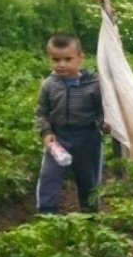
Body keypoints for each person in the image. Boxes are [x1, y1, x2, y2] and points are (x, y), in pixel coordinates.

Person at [34, 34, 105, 214]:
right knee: (49, 176)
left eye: (67, 59)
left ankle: (90, 215)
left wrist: (104, 123)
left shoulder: (94, 84)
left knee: (88, 178)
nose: (61, 64)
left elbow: (103, 111)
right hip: (58, 138)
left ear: (80, 58)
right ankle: (47, 214)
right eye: (56, 59)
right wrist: (46, 132)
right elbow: (42, 112)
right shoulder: (49, 85)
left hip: (87, 138)